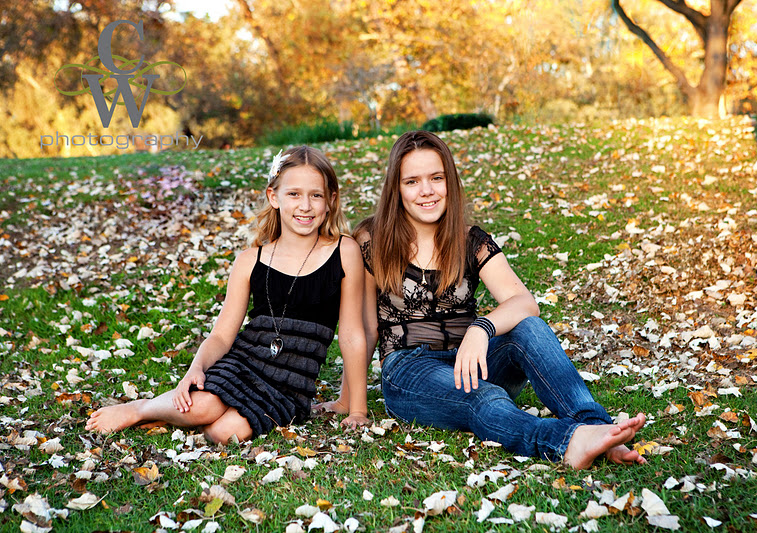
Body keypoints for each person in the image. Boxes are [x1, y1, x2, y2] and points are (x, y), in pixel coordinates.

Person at [323, 131, 646, 469]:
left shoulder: (469, 239)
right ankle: (566, 442)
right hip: (409, 372)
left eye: (437, 178)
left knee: (529, 328)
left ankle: (598, 429)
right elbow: (366, 328)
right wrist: (352, 402)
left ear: (450, 181)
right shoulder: (372, 240)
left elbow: (524, 302)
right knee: (484, 396)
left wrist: (481, 328)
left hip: (471, 360)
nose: (427, 191)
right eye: (412, 181)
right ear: (396, 188)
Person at [86, 146, 370, 443]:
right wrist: (196, 368)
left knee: (223, 433)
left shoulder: (344, 252)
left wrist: (358, 409)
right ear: (274, 197)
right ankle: (140, 409)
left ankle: (169, 414)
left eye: (316, 195)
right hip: (243, 364)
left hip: (290, 385)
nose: (305, 205)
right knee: (203, 407)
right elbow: (222, 335)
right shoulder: (251, 260)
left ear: (330, 201)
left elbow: (351, 334)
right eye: (294, 194)